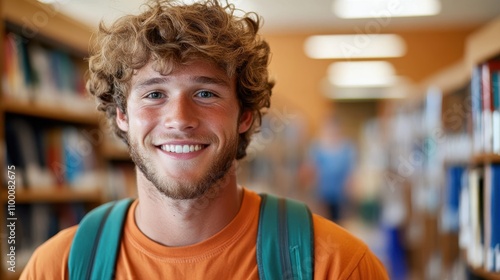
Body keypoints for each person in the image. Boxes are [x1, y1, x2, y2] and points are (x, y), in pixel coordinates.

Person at [20, 0, 388, 279]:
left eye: (206, 94)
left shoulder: (337, 265)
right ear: (122, 115)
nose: (180, 120)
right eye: (154, 94)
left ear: (244, 115)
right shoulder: (59, 267)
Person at [301, 115, 357, 222]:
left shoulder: (347, 147)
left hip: (341, 195)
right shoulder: (317, 146)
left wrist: (351, 187)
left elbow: (351, 171)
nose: (332, 132)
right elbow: (311, 167)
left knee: (339, 224)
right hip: (322, 194)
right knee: (324, 222)